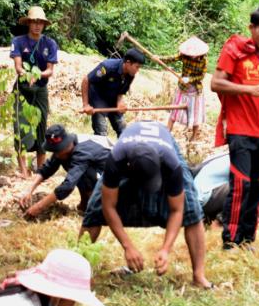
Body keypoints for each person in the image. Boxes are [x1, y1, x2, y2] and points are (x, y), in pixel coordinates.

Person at [79, 121, 211, 289]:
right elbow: (108, 206)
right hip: (129, 151)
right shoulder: (116, 159)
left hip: (164, 146)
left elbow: (177, 210)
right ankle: (77, 272)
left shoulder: (170, 162)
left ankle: (199, 276)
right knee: (94, 210)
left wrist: (165, 249)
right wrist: (128, 247)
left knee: (192, 209)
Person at [211, 5, 259, 250]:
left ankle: (247, 238)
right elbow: (216, 84)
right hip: (239, 129)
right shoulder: (234, 50)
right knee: (241, 184)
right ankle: (230, 239)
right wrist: (248, 89)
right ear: (251, 28)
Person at [18, 125, 112, 219]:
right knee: (73, 166)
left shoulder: (82, 152)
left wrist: (39, 207)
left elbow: (68, 186)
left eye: (58, 149)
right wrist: (29, 190)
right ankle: (87, 203)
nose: (56, 154)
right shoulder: (64, 150)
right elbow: (48, 168)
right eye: (54, 150)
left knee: (83, 172)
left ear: (67, 143)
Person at [10, 6, 59, 177]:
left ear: (44, 25)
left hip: (40, 89)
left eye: (41, 23)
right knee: (20, 125)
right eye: (34, 22)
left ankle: (40, 168)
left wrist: (36, 74)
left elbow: (49, 70)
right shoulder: (18, 41)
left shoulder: (50, 44)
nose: (37, 26)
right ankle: (23, 170)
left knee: (41, 124)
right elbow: (18, 67)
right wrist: (27, 74)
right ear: (29, 23)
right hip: (22, 88)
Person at [81, 49, 146, 138]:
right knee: (101, 131)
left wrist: (120, 102)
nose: (138, 70)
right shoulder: (107, 67)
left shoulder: (131, 75)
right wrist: (85, 105)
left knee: (123, 131)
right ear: (128, 63)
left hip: (112, 99)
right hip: (98, 97)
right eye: (137, 67)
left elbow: (121, 91)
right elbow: (86, 80)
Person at [159, 36, 209, 142]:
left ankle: (194, 136)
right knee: (174, 111)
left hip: (195, 90)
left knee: (196, 114)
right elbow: (172, 58)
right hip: (182, 89)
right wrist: (158, 58)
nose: (193, 56)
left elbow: (202, 76)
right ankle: (167, 132)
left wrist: (190, 79)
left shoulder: (203, 61)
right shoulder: (184, 56)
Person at [191, 152, 231, 225]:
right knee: (248, 185)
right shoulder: (243, 158)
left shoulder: (226, 154)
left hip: (195, 198)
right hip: (203, 200)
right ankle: (221, 220)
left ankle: (210, 218)